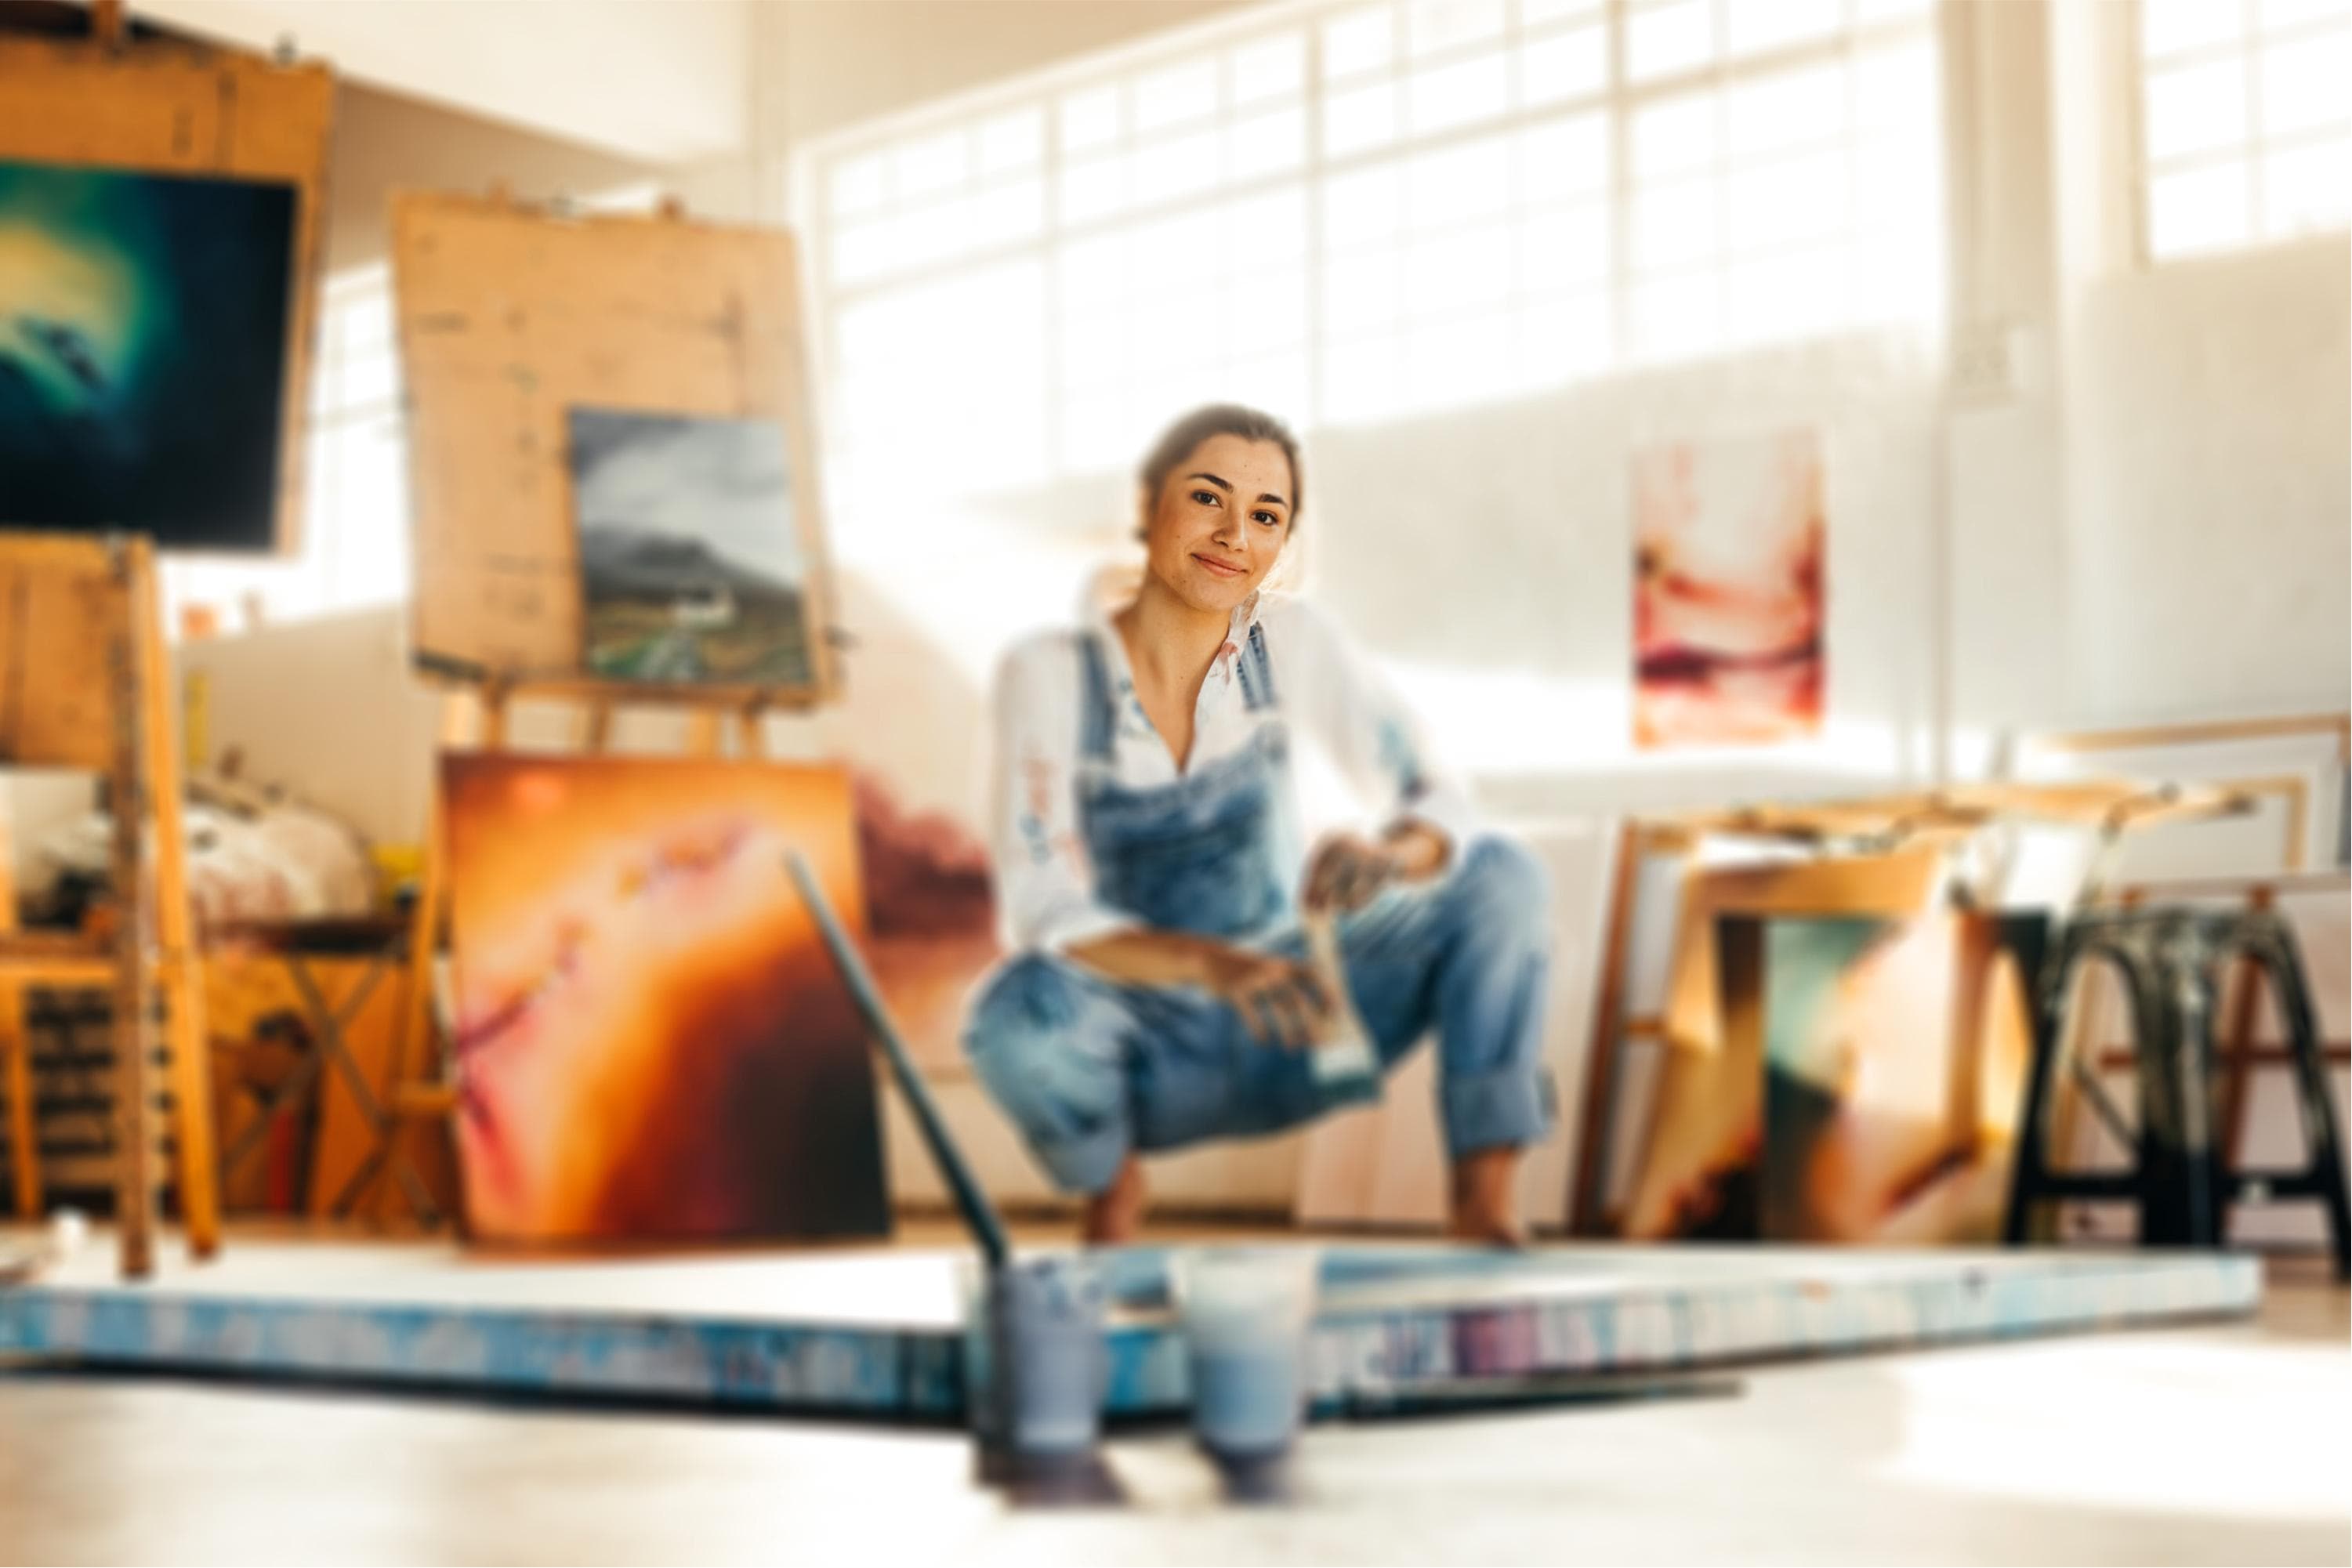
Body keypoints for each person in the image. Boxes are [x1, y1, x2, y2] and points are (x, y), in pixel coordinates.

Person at [964, 404, 1553, 1244]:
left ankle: (1483, 1202)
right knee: (1012, 1018)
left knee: (1502, 877)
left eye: (1266, 516)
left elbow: (1438, 797)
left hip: (1303, 1018)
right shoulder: (1050, 674)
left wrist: (1389, 854)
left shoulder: (1292, 641)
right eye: (1208, 498)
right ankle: (1111, 1186)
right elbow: (1040, 905)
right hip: (1152, 1044)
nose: (1234, 533)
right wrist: (1213, 966)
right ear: (1145, 503)